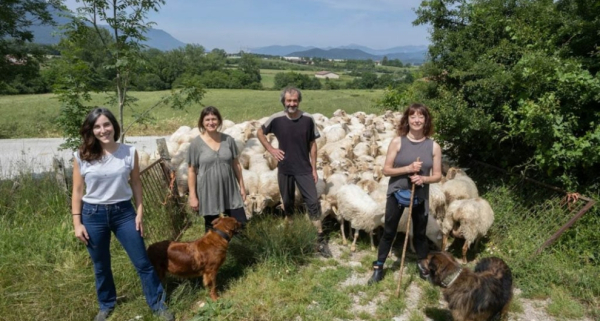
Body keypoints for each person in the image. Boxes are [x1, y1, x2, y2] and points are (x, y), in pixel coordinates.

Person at [71, 108, 174, 321]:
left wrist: (140, 211)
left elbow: (136, 182)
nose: (103, 130)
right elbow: (78, 191)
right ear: (91, 130)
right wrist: (77, 222)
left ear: (113, 126)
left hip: (124, 213)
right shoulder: (81, 155)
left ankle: (158, 304)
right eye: (97, 126)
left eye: (106, 125)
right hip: (93, 214)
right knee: (101, 265)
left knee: (142, 262)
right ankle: (106, 304)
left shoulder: (129, 152)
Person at [368, 103, 442, 285]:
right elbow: (386, 170)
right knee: (389, 231)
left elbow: (438, 175)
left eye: (420, 117)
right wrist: (408, 169)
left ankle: (423, 267)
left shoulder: (433, 147)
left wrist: (423, 180)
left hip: (420, 196)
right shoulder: (397, 142)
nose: (416, 120)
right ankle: (378, 267)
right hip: (397, 193)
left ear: (426, 120)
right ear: (407, 120)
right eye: (413, 116)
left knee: (420, 233)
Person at [257, 86, 332, 258]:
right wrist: (270, 149)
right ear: (283, 101)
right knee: (288, 201)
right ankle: (289, 230)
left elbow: (313, 144)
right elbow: (260, 132)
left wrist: (314, 168)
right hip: (284, 168)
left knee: (313, 202)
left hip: (304, 168)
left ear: (299, 101)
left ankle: (320, 239)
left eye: (295, 101)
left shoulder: (308, 119)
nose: (292, 104)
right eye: (289, 101)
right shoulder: (276, 119)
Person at [187, 106, 247, 232]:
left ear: (219, 121)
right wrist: (193, 196)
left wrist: (241, 187)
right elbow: (191, 171)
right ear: (202, 122)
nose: (211, 122)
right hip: (208, 190)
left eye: (214, 119)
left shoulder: (228, 140)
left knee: (239, 224)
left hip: (229, 188)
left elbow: (236, 164)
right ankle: (212, 251)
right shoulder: (196, 144)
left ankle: (240, 250)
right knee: (212, 228)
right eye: (207, 119)